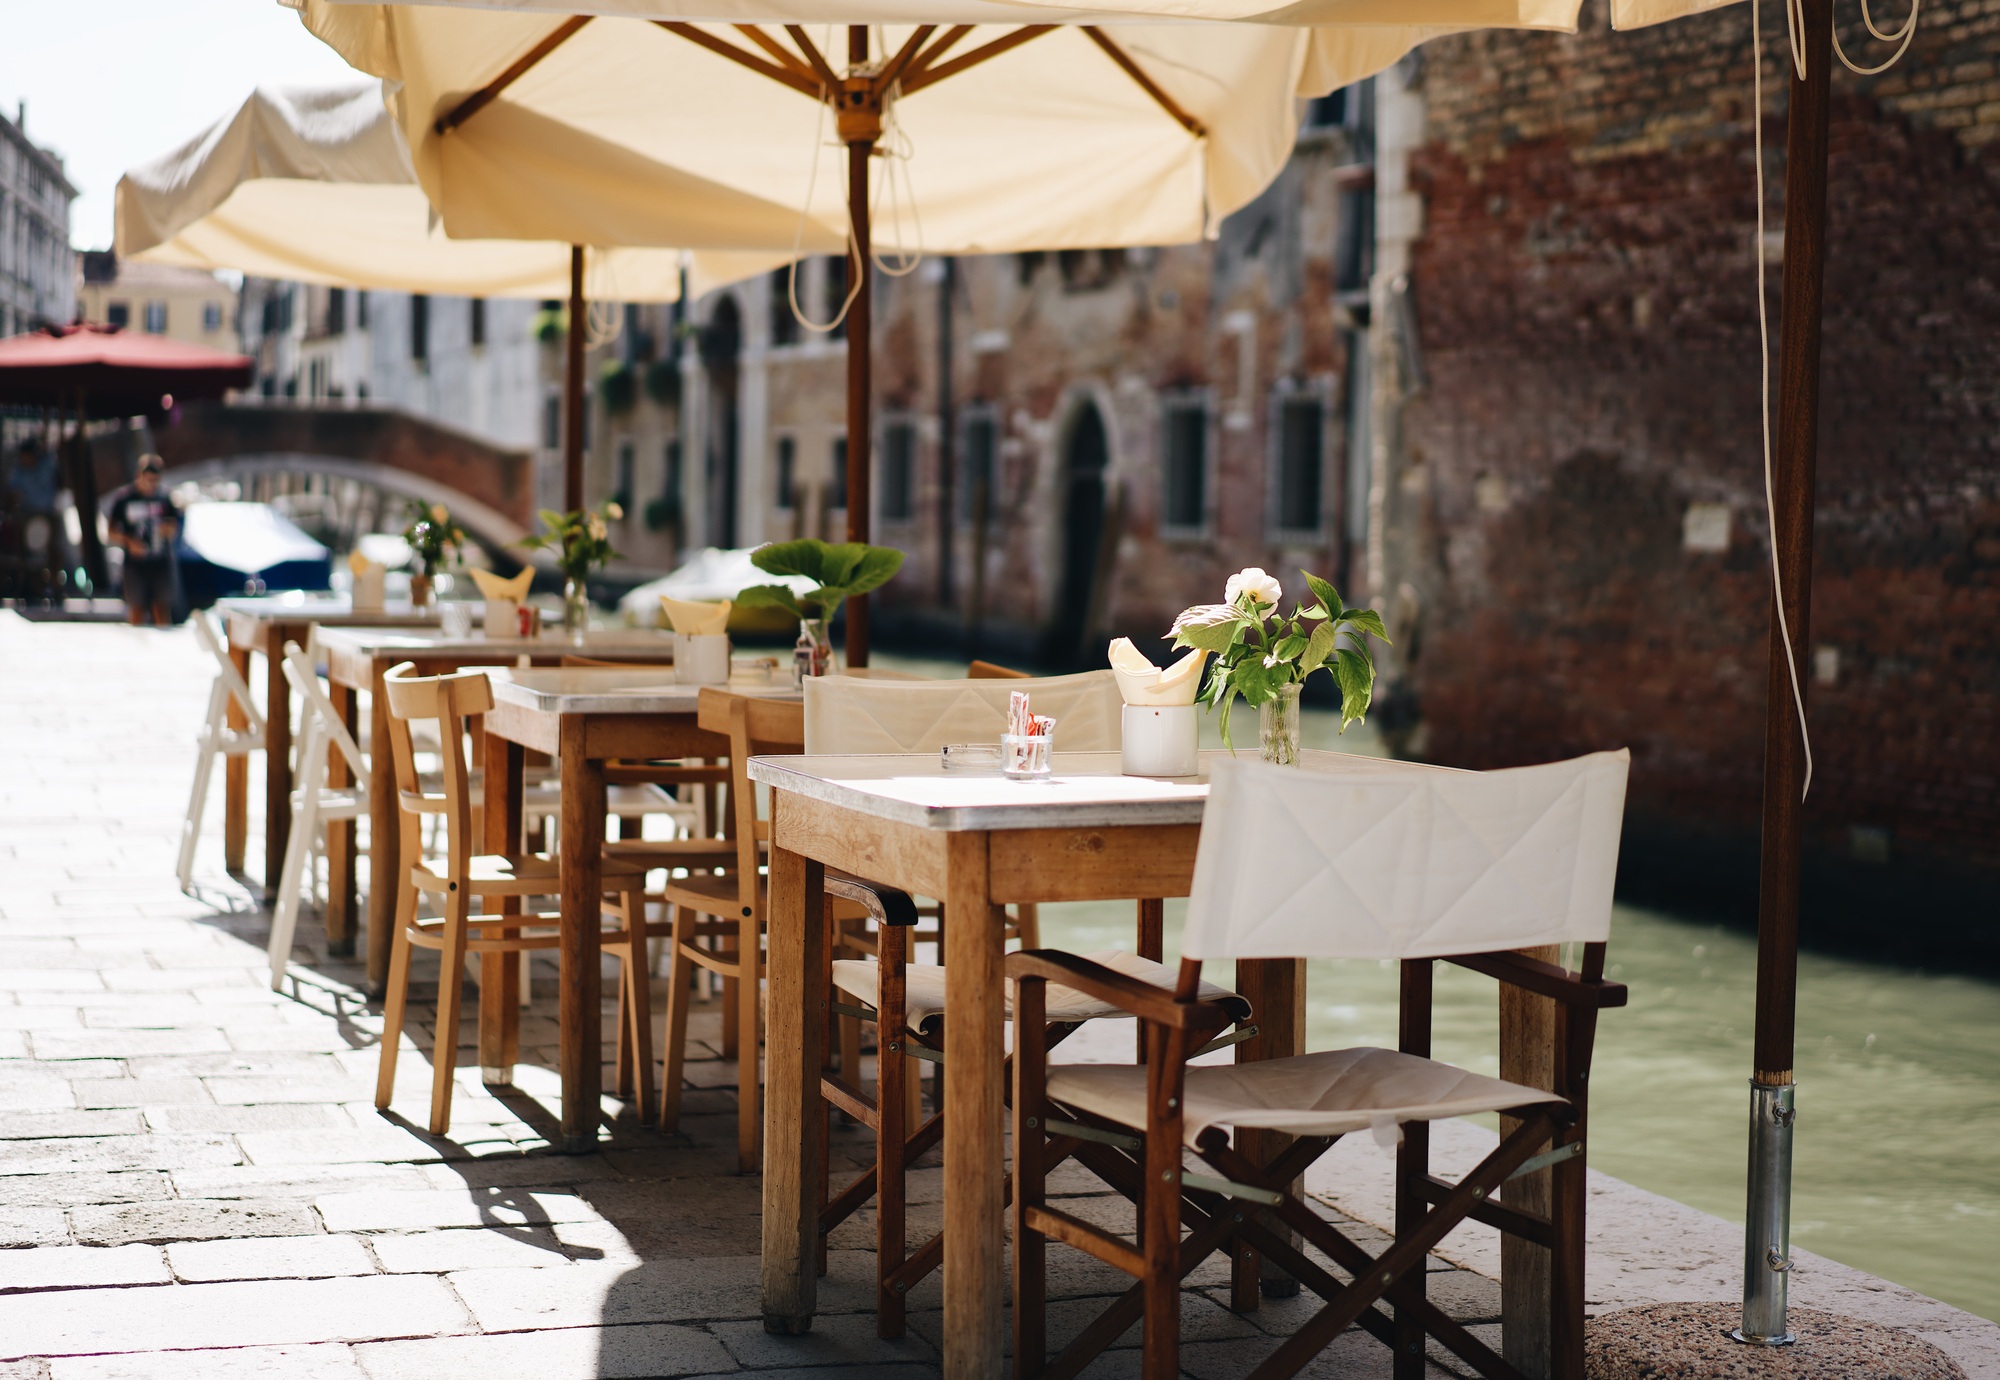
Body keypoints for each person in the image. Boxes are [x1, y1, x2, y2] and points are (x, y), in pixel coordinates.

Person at [104, 455, 181, 626]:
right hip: (135, 563)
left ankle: (162, 639)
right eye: (149, 480)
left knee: (161, 608)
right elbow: (110, 531)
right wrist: (129, 541)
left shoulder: (164, 498)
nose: (152, 485)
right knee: (136, 609)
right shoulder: (125, 499)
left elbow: (174, 525)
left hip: (160, 560)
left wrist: (166, 530)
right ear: (139, 476)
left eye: (156, 481)